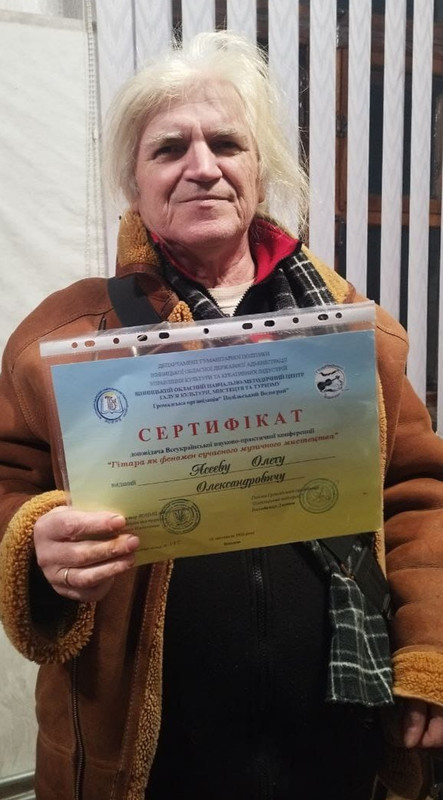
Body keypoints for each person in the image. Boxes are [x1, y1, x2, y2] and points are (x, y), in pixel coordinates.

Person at [1, 30, 443, 800]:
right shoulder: (63, 336)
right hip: (150, 760)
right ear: (134, 182)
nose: (201, 166)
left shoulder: (356, 330)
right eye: (169, 148)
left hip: (334, 742)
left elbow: (416, 498)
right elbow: (6, 479)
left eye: (227, 143)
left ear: (259, 170)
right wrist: (31, 538)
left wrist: (427, 649)